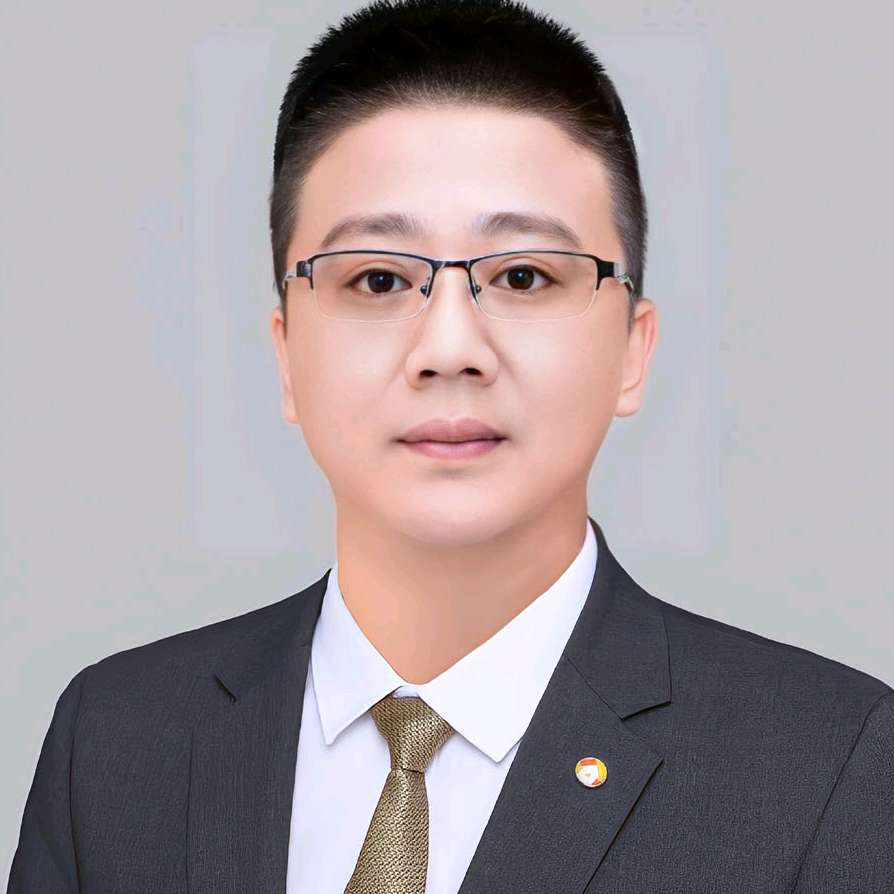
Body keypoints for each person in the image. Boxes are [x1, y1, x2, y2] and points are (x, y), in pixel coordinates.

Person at [8, 0, 894, 891]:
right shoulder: (115, 743)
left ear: (633, 349)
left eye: (524, 276)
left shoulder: (830, 766)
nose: (449, 348)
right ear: (286, 355)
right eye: (377, 279)